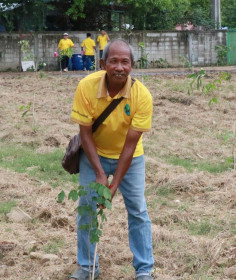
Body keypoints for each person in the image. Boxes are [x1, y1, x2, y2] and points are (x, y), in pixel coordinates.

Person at [70, 39, 154, 280]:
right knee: (87, 208)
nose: (119, 67)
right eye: (114, 61)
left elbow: (131, 143)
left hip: (130, 159)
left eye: (125, 62)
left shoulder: (142, 96)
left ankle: (144, 269)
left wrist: (114, 182)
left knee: (137, 210)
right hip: (93, 154)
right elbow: (84, 133)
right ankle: (87, 267)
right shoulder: (86, 86)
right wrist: (99, 173)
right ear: (102, 63)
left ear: (132, 65)